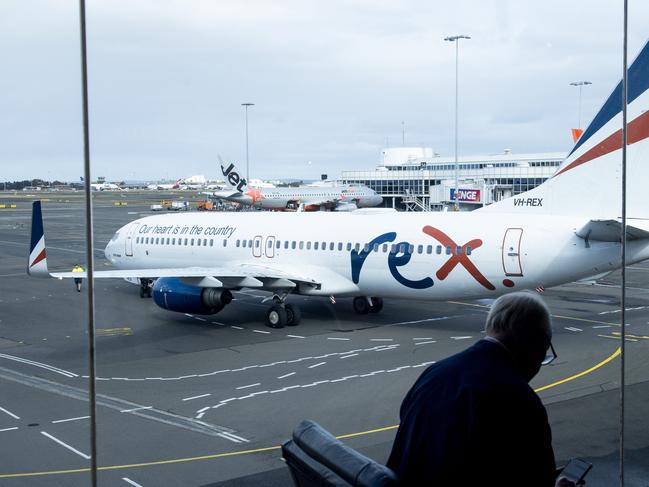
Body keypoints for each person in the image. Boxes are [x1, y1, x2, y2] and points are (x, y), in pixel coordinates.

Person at [387, 292, 576, 487]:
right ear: (536, 342)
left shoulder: (433, 373)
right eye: (544, 351)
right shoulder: (520, 400)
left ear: (491, 325)